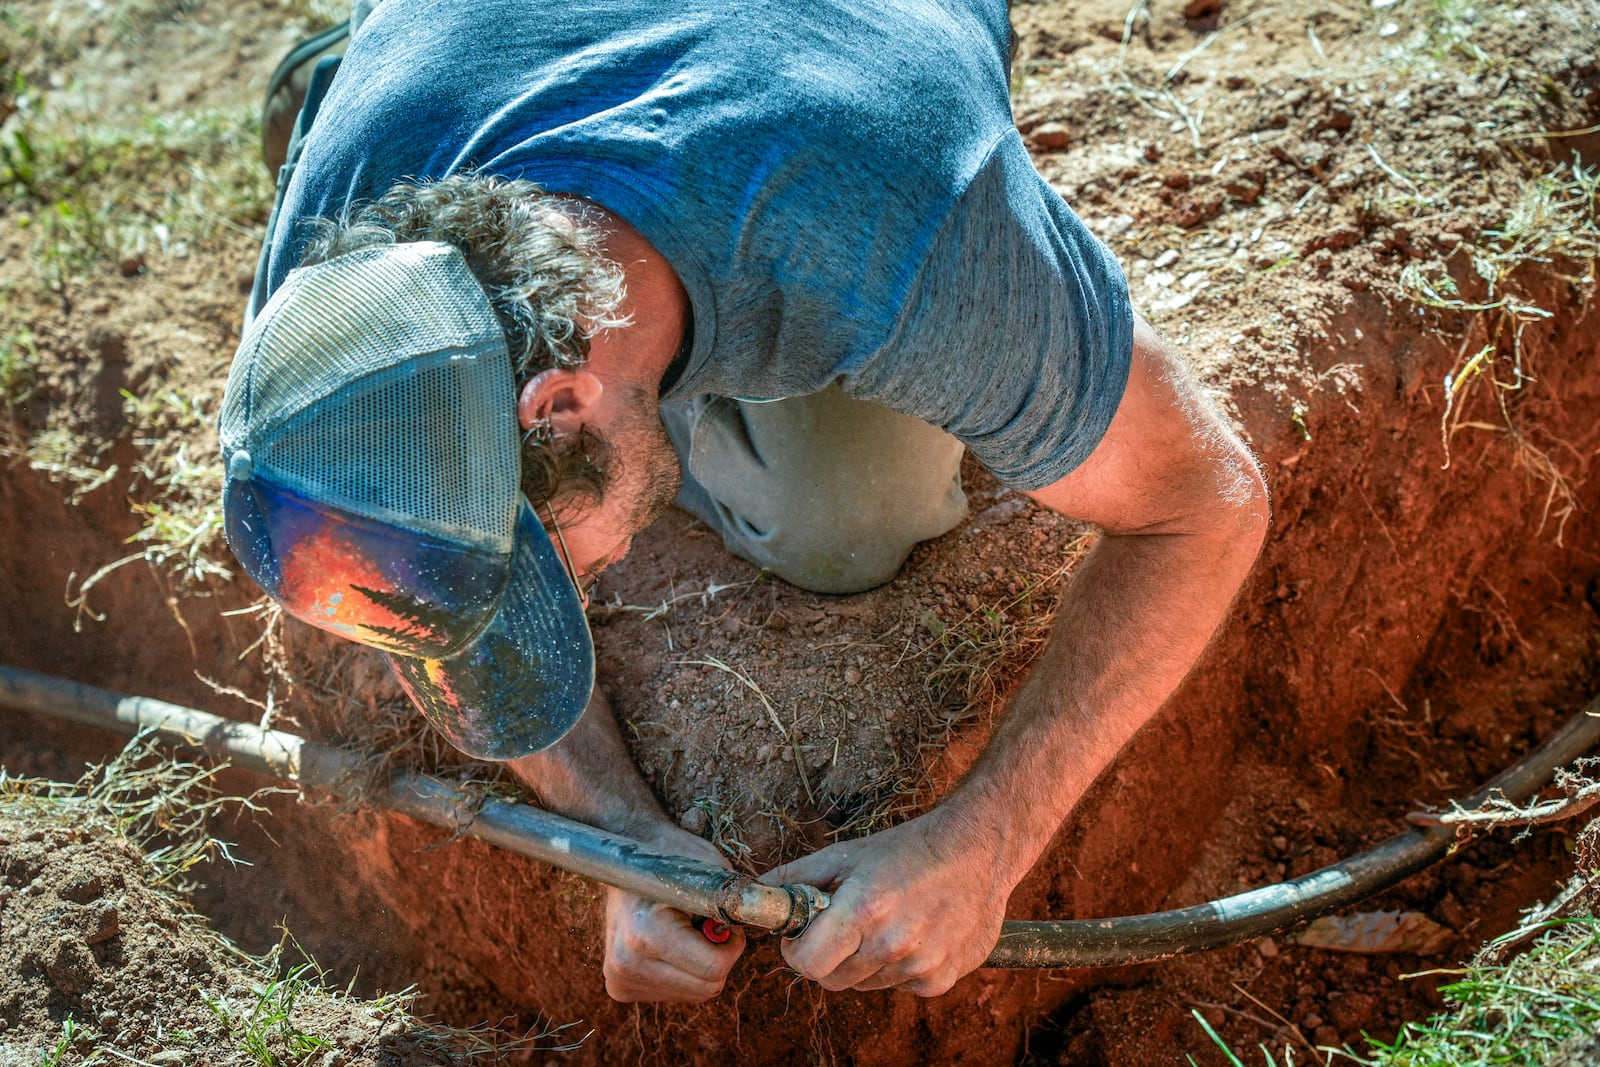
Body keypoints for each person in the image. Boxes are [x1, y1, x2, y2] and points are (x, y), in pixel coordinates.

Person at [219, 0, 1269, 1004]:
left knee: (847, 518)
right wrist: (618, 832)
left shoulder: (894, 232)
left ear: (558, 407)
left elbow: (1205, 501)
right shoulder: (341, 279)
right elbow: (399, 567)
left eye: (553, 570)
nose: (584, 586)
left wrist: (984, 837)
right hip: (466, 59)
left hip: (822, 81)